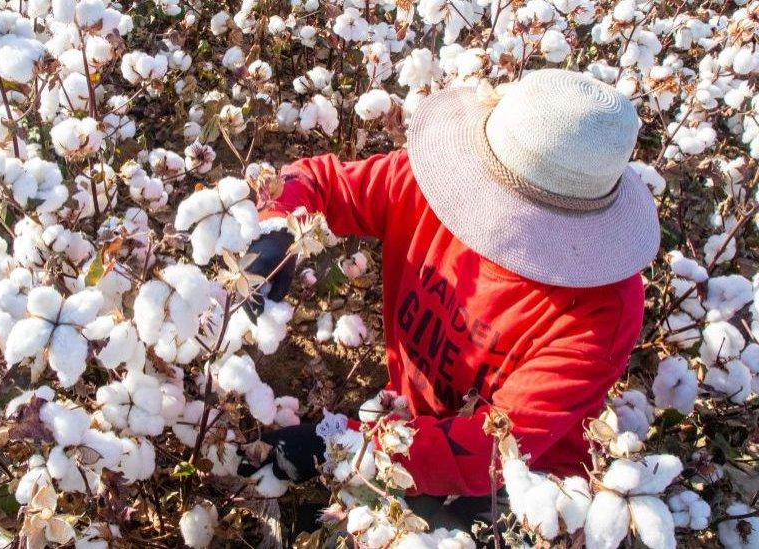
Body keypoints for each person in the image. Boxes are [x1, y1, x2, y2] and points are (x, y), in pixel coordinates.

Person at [241, 69, 660, 528]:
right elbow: (319, 181)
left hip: (521, 481)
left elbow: (489, 452)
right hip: (411, 421)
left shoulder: (600, 314)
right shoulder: (436, 185)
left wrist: (338, 444)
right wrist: (276, 229)